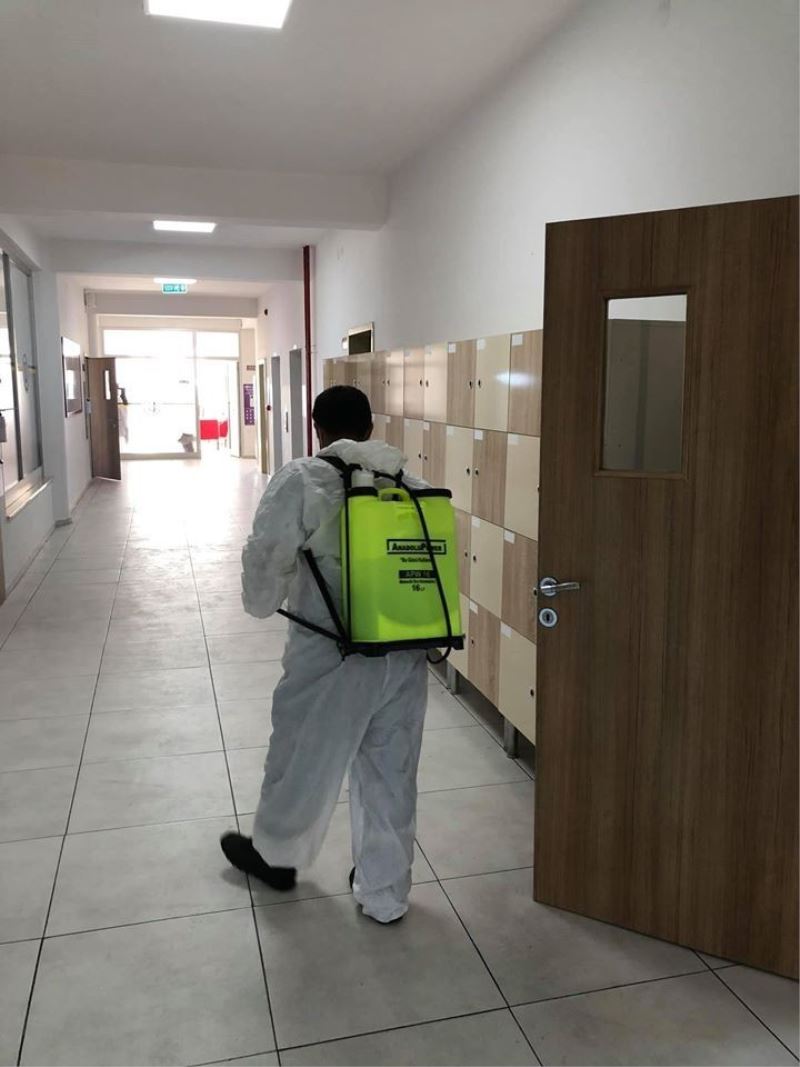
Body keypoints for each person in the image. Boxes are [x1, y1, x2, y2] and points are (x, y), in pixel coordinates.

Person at [220, 386, 428, 924]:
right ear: (369, 428)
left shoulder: (303, 480)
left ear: (317, 428)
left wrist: (262, 599)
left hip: (330, 656)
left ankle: (276, 857)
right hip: (402, 655)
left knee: (300, 760)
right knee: (391, 771)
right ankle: (384, 892)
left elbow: (264, 569)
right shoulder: (409, 484)